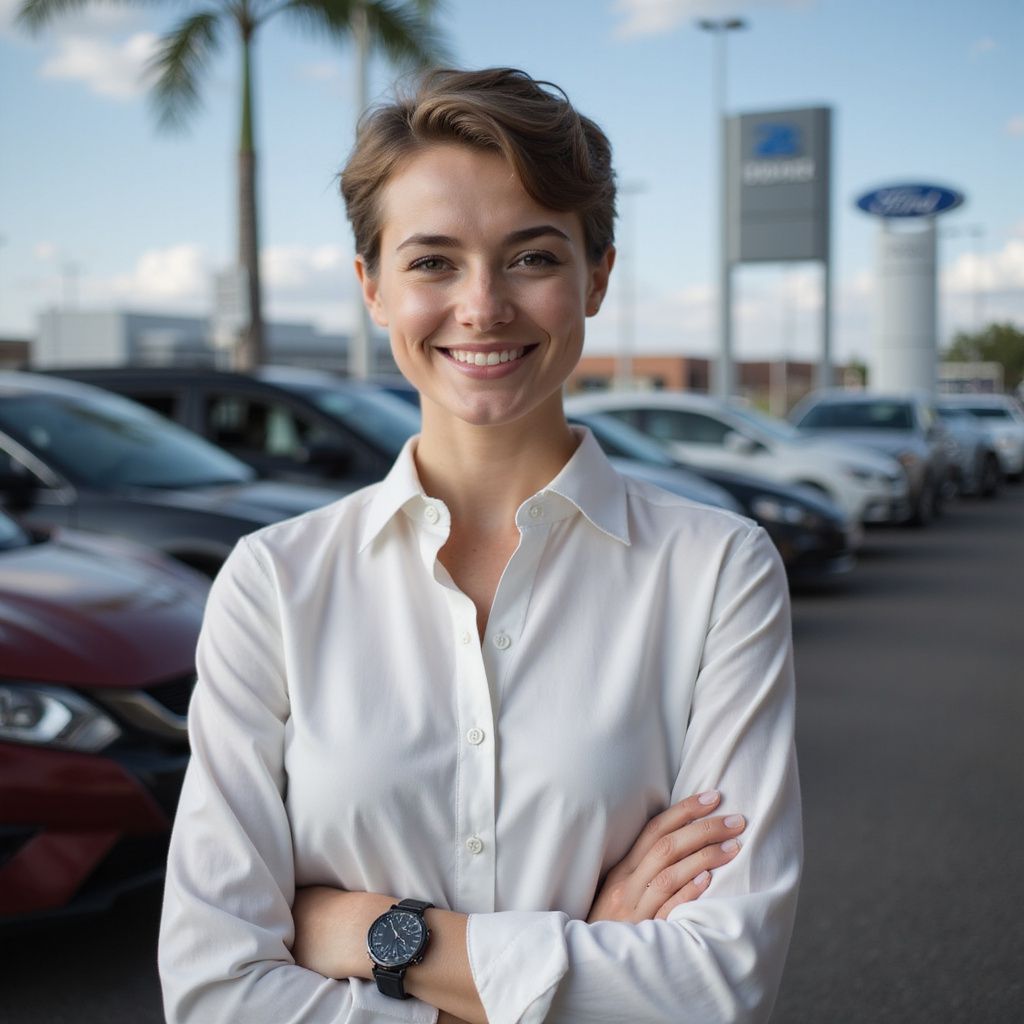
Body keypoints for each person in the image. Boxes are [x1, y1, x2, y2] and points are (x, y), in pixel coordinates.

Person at [158, 67, 802, 1023]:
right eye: (432, 263)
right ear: (372, 287)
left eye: (533, 257)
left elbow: (717, 983)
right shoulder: (275, 584)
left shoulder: (717, 571)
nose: (483, 305)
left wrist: (378, 934)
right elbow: (214, 990)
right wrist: (589, 958)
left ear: (599, 276)